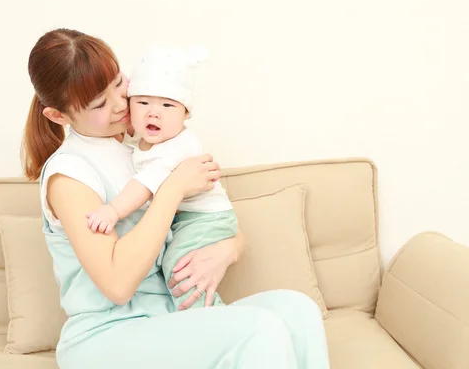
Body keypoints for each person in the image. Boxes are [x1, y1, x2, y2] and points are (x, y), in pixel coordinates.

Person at [22, 28, 330, 369]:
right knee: (258, 329)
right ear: (58, 116)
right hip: (107, 336)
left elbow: (209, 214)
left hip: (169, 314)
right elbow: (117, 284)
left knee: (298, 311)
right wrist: (172, 188)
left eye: (118, 83)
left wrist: (229, 250)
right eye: (99, 104)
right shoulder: (69, 174)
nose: (119, 104)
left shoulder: (145, 145)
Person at [85, 45, 237, 311]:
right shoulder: (140, 141)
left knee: (179, 266)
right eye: (143, 103)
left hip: (206, 219)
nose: (153, 113)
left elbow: (144, 187)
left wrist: (113, 210)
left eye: (167, 105)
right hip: (189, 219)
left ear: (185, 114)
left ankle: (210, 317)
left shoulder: (175, 147)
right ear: (130, 105)